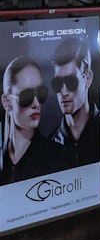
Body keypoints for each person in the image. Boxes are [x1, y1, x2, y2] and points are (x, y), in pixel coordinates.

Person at [1, 56, 70, 184]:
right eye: (26, 95)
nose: (36, 103)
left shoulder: (57, 157)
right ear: (7, 103)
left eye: (40, 93)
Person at [49, 37, 100, 167]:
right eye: (58, 83)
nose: (64, 92)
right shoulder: (50, 146)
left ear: (88, 79)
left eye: (71, 81)